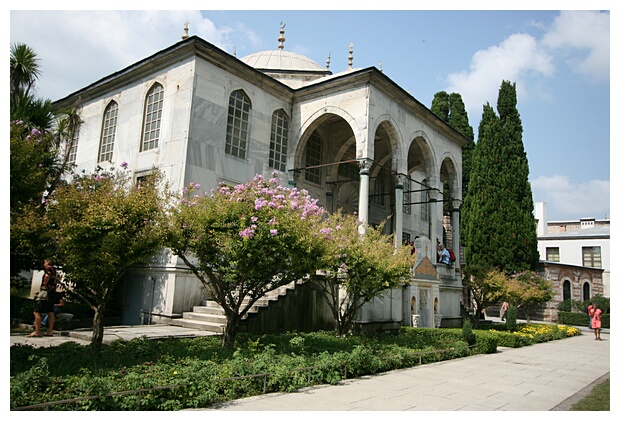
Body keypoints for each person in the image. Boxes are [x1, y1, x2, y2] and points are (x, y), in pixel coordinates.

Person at [27, 259, 59, 337]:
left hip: (46, 292)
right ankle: (50, 331)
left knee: (37, 312)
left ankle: (37, 331)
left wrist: (45, 283)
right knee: (50, 312)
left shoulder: (48, 269)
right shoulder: (54, 270)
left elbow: (47, 276)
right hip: (52, 292)